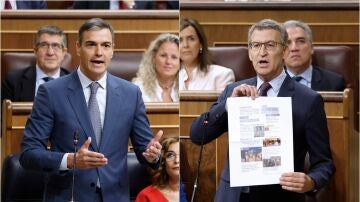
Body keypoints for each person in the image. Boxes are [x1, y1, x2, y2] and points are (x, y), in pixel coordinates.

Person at [190, 19, 335, 202]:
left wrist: (311, 181)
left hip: (279, 197)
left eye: (270, 45)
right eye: (256, 45)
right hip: (232, 196)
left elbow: (324, 163)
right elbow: (197, 135)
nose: (262, 52)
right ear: (250, 52)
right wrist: (228, 105)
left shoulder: (309, 100)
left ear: (284, 51)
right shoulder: (233, 91)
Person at [19, 18, 163, 202]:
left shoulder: (131, 93)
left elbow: (145, 152)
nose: (98, 52)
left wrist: (153, 156)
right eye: (91, 44)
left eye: (105, 45)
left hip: (114, 197)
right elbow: (28, 153)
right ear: (78, 48)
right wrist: (71, 160)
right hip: (69, 196)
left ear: (112, 50)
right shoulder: (51, 92)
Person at [1, 25, 69, 102]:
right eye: (44, 45)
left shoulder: (76, 83)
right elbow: (5, 113)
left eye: (55, 46)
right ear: (35, 51)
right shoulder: (13, 81)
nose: (50, 52)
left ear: (64, 53)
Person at [283, 20, 345, 91]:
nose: (294, 48)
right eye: (287, 43)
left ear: (311, 48)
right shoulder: (270, 82)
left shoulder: (334, 83)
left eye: (301, 41)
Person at [179, 18, 235, 91]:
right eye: (179, 40)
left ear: (201, 44)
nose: (185, 45)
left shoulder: (222, 75)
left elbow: (222, 102)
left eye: (191, 39)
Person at [132, 33, 179, 102]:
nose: (168, 61)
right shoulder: (137, 88)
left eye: (174, 57)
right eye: (163, 55)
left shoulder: (188, 87)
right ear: (153, 58)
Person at [136, 136, 180, 202]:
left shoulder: (196, 193)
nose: (177, 160)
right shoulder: (146, 195)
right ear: (163, 162)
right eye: (170, 155)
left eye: (181, 155)